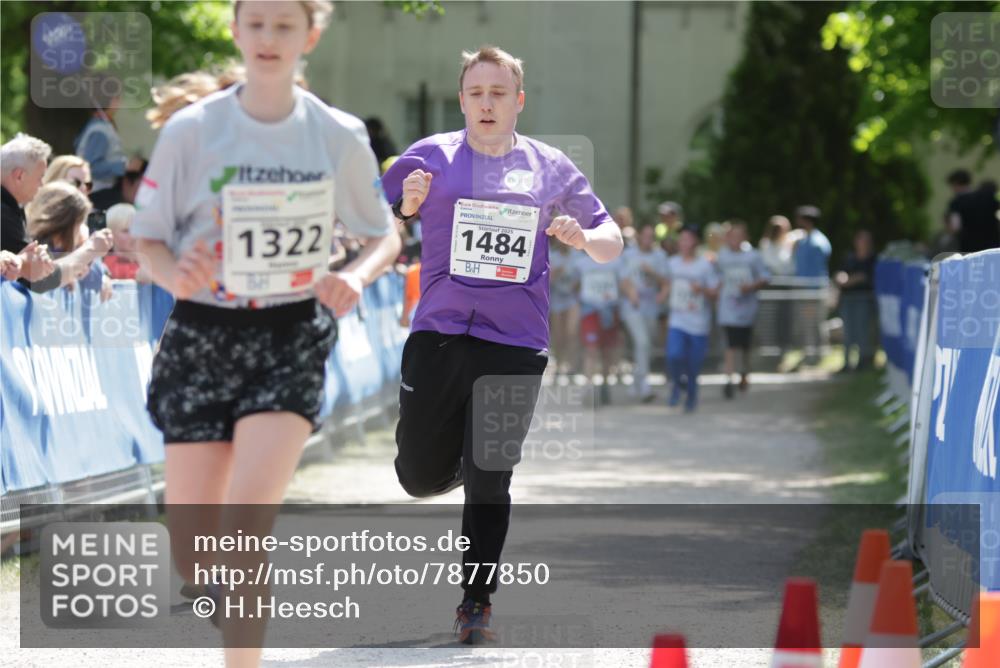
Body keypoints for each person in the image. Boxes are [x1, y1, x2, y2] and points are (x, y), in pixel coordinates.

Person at [130, 3, 400, 667]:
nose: (269, 39)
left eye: (285, 26)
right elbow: (147, 241)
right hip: (202, 335)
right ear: (236, 32)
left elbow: (383, 233)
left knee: (246, 531)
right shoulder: (193, 130)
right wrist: (176, 274)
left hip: (288, 336)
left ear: (310, 35)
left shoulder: (338, 134)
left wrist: (358, 275)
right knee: (196, 550)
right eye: (256, 24)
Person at [381, 45, 623, 644]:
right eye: (475, 93)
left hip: (514, 342)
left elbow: (612, 238)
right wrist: (405, 207)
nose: (486, 104)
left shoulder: (550, 167)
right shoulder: (427, 157)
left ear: (518, 101)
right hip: (438, 334)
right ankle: (465, 460)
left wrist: (583, 237)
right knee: (416, 476)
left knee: (492, 479)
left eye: (498, 93)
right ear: (461, 99)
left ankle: (476, 602)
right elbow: (371, 219)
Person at [1, 133, 112, 293]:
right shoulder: (4, 212)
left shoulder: (11, 208)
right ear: (19, 175)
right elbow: (43, 281)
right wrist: (90, 249)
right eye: (40, 177)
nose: (42, 184)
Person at [27, 181, 114, 302]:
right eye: (79, 223)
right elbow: (43, 281)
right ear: (67, 222)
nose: (80, 229)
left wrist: (100, 273)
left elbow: (95, 279)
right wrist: (90, 249)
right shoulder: (30, 245)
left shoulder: (65, 247)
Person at [665, 224, 719, 412]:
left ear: (695, 241)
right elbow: (666, 285)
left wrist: (701, 290)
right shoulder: (672, 263)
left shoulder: (705, 265)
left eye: (687, 239)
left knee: (693, 364)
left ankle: (691, 394)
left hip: (698, 323)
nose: (683, 243)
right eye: (681, 239)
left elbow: (714, 293)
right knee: (674, 355)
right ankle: (677, 385)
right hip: (677, 320)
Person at [715, 221, 770, 397]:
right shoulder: (722, 256)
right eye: (732, 236)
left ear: (745, 238)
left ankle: (744, 372)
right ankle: (729, 379)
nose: (735, 240)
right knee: (730, 344)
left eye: (739, 236)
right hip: (728, 308)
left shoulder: (753, 256)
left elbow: (765, 277)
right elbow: (716, 277)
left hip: (747, 309)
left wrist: (751, 286)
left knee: (745, 346)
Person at [619, 223, 669, 402]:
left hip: (651, 308)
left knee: (645, 346)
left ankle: (635, 382)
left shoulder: (660, 256)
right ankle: (645, 385)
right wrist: (632, 294)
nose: (648, 240)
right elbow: (623, 280)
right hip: (632, 307)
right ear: (639, 236)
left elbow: (665, 281)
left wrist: (652, 272)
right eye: (645, 235)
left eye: (651, 236)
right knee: (642, 342)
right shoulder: (628, 255)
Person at [574, 246, 623, 406]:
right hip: (590, 312)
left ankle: (605, 384)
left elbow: (624, 283)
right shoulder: (581, 263)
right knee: (591, 349)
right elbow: (575, 286)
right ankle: (589, 387)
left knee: (607, 351)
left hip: (610, 311)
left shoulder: (616, 263)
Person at [74, 78, 127, 195]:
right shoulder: (99, 131)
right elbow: (91, 168)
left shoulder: (102, 126)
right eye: (117, 97)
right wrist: (123, 166)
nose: (119, 102)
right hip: (98, 195)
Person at [836, 229, 877, 372]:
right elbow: (841, 273)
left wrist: (850, 280)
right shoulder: (849, 258)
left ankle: (864, 361)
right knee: (848, 331)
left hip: (864, 300)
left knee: (862, 331)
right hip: (848, 299)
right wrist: (843, 278)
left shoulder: (872, 259)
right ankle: (847, 362)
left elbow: (865, 277)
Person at [946, 169, 1000, 253]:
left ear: (955, 184)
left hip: (970, 248)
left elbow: (956, 227)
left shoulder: (956, 202)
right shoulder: (988, 196)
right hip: (993, 245)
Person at [549, 235, 580, 376]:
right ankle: (559, 364)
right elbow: (546, 281)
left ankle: (572, 365)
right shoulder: (551, 256)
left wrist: (576, 285)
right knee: (558, 335)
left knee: (571, 333)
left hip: (572, 299)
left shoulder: (577, 256)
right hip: (556, 299)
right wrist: (554, 274)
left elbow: (583, 278)